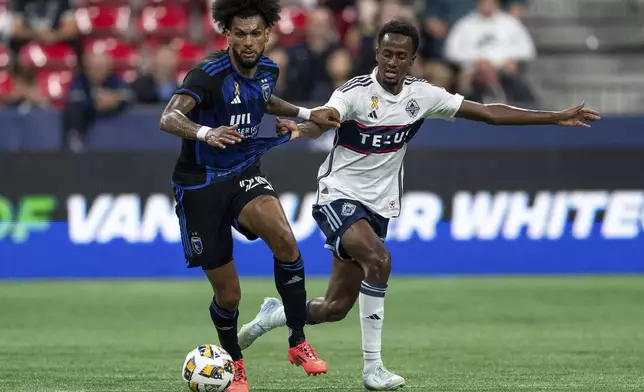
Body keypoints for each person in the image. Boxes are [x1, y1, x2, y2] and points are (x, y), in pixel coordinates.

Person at [237, 19, 601, 391]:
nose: (392, 62)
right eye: (386, 54)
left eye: (401, 56)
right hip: (338, 195)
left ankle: (274, 315)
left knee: (335, 308)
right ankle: (373, 369)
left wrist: (555, 117)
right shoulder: (355, 93)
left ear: (412, 60)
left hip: (380, 206)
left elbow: (489, 113)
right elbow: (325, 119)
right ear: (377, 54)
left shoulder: (423, 96)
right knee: (379, 260)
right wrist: (301, 128)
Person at [158, 0, 341, 391]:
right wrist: (207, 133)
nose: (248, 41)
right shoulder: (207, 73)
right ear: (226, 33)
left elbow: (263, 98)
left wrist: (308, 115)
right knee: (229, 293)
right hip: (200, 185)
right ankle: (234, 364)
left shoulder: (269, 70)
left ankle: (297, 340)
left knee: (285, 239)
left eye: (256, 33)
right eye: (240, 33)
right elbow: (169, 117)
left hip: (242, 171)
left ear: (267, 33)